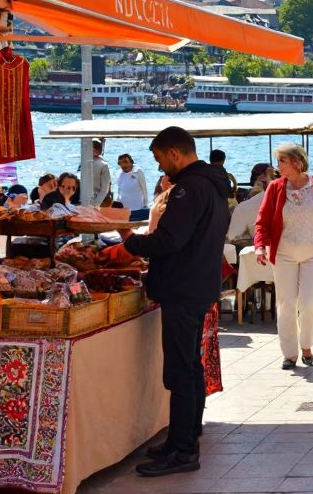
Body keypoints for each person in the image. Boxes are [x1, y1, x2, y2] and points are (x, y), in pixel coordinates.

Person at [102, 126, 230, 478]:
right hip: (197, 285)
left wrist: (129, 245)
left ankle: (184, 450)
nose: (160, 169)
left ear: (175, 152)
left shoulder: (190, 188)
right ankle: (181, 438)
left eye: (160, 159)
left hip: (183, 288)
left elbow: (170, 240)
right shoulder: (212, 185)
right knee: (189, 366)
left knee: (181, 372)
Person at [253, 143, 313, 370]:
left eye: (282, 161)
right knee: (286, 303)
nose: (277, 166)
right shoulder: (275, 187)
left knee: (309, 302)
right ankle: (289, 354)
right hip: (283, 253)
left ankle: (307, 346)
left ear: (297, 163)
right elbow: (262, 220)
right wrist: (260, 246)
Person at [117, 154, 150, 221]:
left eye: (125, 161)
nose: (123, 165)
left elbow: (144, 189)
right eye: (120, 163)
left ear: (131, 162)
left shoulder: (138, 172)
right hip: (124, 210)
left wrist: (145, 205)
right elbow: (119, 190)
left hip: (138, 209)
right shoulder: (119, 173)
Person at [82, 138, 113, 206]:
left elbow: (105, 189)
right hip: (84, 200)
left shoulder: (103, 165)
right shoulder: (84, 163)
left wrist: (96, 204)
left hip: (96, 201)